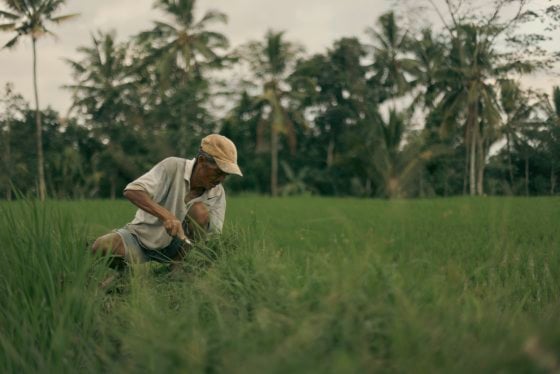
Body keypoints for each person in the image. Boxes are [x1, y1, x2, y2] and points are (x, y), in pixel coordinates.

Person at [91, 134, 242, 270]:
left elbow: (214, 236)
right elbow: (132, 191)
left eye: (225, 175)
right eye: (218, 172)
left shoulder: (217, 192)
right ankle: (128, 275)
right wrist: (166, 215)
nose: (221, 179)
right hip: (141, 237)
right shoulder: (172, 166)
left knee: (200, 211)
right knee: (101, 246)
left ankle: (175, 269)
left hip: (177, 248)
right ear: (202, 161)